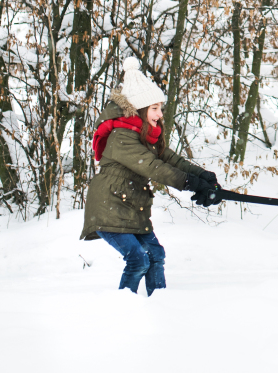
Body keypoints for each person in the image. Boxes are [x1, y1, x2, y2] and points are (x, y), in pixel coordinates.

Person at [81, 57, 221, 295]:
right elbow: (153, 167)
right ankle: (126, 309)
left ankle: (159, 303)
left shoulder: (142, 135)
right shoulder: (122, 137)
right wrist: (190, 184)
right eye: (154, 108)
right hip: (109, 209)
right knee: (138, 260)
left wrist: (203, 177)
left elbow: (170, 159)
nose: (159, 114)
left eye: (160, 108)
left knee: (155, 256)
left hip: (130, 206)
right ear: (140, 109)